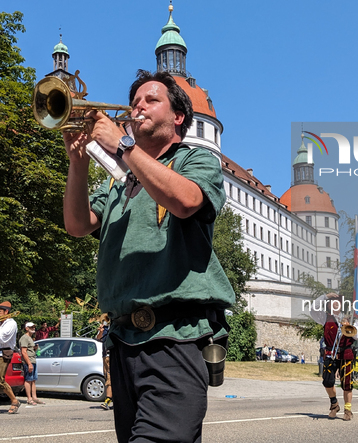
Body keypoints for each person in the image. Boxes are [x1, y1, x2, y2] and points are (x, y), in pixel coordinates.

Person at [61, 70, 235, 443]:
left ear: (178, 118)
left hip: (176, 338)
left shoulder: (194, 160)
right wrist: (78, 163)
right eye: (135, 101)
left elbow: (187, 201)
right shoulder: (118, 179)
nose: (138, 106)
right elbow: (77, 224)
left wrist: (123, 145)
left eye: (150, 100)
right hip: (124, 344)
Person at [309, 292, 358, 421]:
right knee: (327, 381)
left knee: (347, 383)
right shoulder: (325, 317)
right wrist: (325, 296)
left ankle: (348, 410)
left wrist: (348, 327)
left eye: (337, 302)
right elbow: (312, 309)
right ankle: (334, 404)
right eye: (332, 302)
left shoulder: (351, 318)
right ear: (328, 305)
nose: (335, 304)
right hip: (330, 354)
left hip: (346, 353)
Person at [0, 301, 20, 414]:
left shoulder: (11, 323)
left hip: (4, 354)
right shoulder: (2, 323)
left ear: (6, 311)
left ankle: (14, 400)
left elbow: (2, 338)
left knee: (0, 380)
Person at [19, 322, 44, 406]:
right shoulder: (24, 338)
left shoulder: (30, 338)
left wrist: (35, 349)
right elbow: (24, 352)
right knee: (28, 380)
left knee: (33, 380)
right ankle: (29, 399)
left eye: (34, 326)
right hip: (28, 362)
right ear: (26, 328)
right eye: (31, 327)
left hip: (33, 361)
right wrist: (29, 364)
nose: (33, 328)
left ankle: (34, 397)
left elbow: (30, 350)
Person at [96, 314, 113, 411]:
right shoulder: (105, 328)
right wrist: (101, 331)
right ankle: (109, 400)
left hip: (112, 355)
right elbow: (99, 339)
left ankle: (108, 400)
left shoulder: (115, 327)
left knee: (110, 378)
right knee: (108, 377)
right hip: (106, 355)